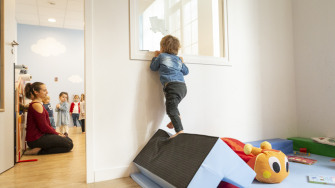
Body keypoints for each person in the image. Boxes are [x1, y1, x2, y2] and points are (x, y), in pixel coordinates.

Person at [150, 35, 189, 138]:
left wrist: (156, 56)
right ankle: (175, 119)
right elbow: (186, 71)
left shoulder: (161, 56)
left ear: (162, 47)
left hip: (171, 86)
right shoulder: (178, 59)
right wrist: (182, 62)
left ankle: (179, 131)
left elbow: (153, 67)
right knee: (173, 106)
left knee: (171, 109)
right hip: (182, 88)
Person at [24, 82, 73, 155]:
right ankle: (39, 150)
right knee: (69, 145)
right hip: (36, 139)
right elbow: (44, 127)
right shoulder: (37, 105)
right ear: (36, 92)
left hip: (41, 136)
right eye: (44, 90)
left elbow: (45, 126)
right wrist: (57, 133)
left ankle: (42, 147)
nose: (47, 92)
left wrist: (57, 133)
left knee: (68, 140)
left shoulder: (38, 104)